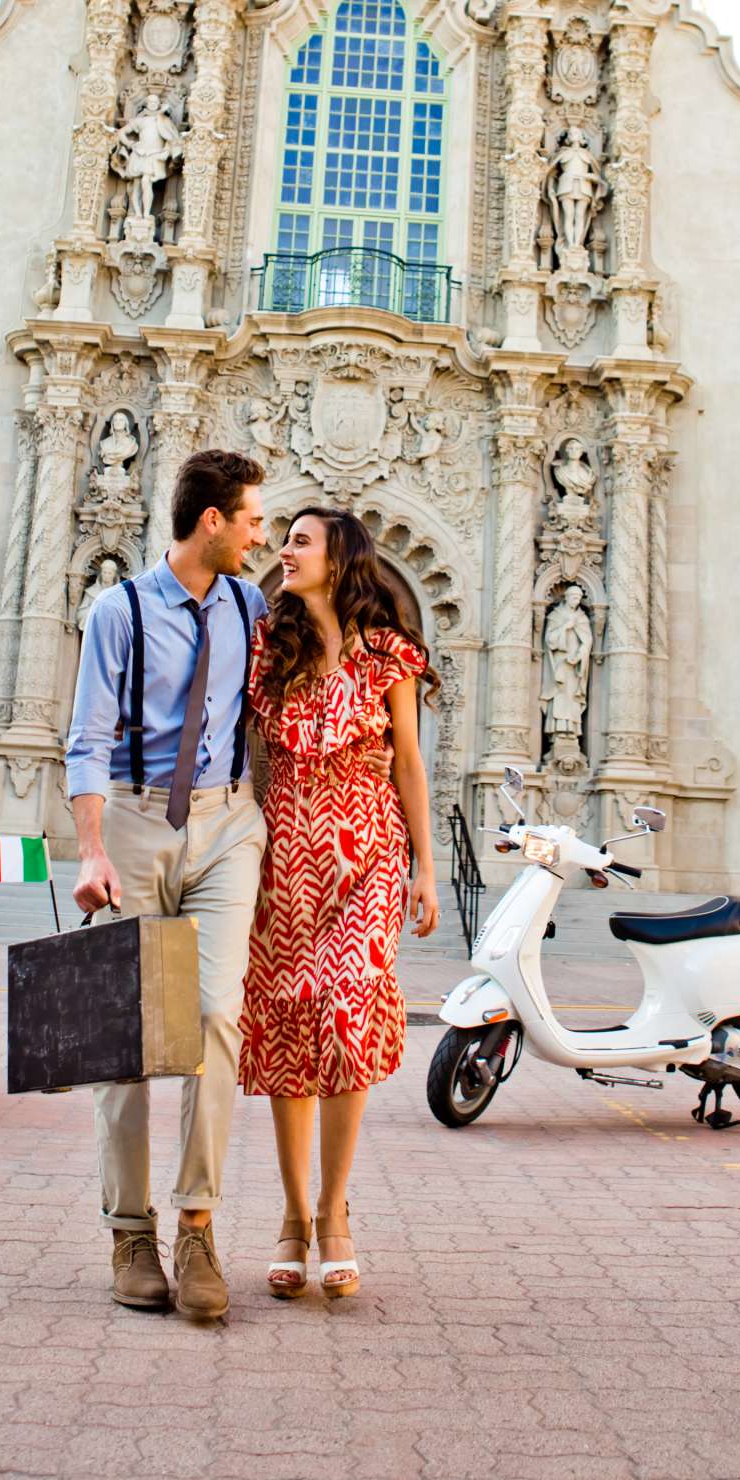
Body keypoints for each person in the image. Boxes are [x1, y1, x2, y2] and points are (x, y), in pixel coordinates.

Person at [66, 449, 266, 1324]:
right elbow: (86, 737)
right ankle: (128, 1231)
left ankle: (197, 1224)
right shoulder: (120, 610)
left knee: (217, 1015)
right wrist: (90, 849)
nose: (261, 534)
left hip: (228, 826)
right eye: (253, 519)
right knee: (127, 1036)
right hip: (137, 822)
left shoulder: (253, 607)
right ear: (211, 520)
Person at [239, 508, 440, 1302]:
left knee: (348, 1015)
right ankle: (292, 1216)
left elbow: (412, 766)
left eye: (300, 542)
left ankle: (334, 1212)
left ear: (340, 558)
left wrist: (426, 868)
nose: (284, 552)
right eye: (283, 539)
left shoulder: (389, 656)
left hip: (367, 849)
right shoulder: (268, 650)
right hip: (284, 852)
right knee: (291, 1023)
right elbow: (242, 752)